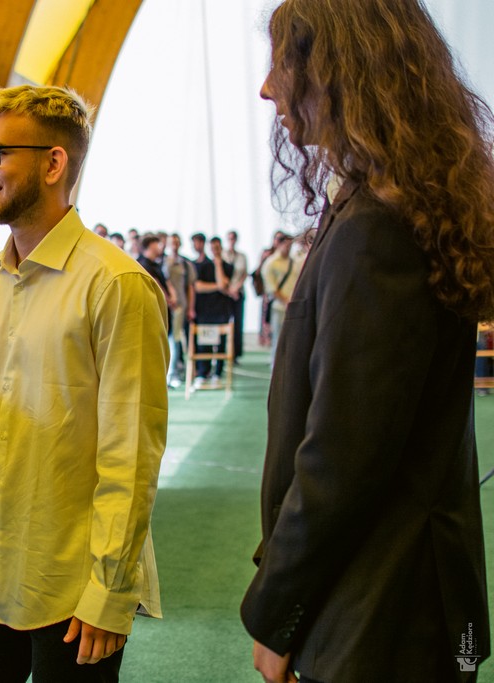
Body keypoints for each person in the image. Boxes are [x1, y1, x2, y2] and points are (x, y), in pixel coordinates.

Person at [242, 1, 494, 681]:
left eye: (284, 63)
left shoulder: (379, 227)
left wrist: (277, 612)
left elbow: (342, 460)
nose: (267, 87)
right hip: (395, 610)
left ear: (338, 70)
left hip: (381, 618)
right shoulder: (389, 204)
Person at [0, 83, 168, 682]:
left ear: (53, 163)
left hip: (71, 585)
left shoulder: (116, 285)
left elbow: (130, 456)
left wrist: (111, 589)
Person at [191, 234, 233, 386]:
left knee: (221, 343)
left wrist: (218, 264)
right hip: (204, 310)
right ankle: (203, 372)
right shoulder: (202, 265)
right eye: (213, 248)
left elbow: (224, 284)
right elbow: (198, 286)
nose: (215, 250)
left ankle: (218, 373)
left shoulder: (227, 266)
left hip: (221, 311)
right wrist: (218, 287)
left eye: (217, 248)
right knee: (204, 343)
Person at [259, 233, 300, 366]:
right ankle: (275, 370)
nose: (288, 248)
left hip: (294, 307)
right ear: (279, 244)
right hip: (278, 306)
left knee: (293, 341)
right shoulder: (271, 263)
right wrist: (285, 300)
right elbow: (271, 288)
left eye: (290, 245)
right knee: (278, 340)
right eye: (286, 245)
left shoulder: (294, 262)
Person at [164, 233, 196, 387]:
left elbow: (190, 287)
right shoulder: (162, 262)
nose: (174, 245)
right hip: (166, 306)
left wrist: (191, 308)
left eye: (177, 242)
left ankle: (173, 373)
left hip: (179, 307)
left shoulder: (185, 264)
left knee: (175, 339)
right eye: (172, 242)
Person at [223, 230, 248, 361]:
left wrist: (236, 289)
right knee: (225, 323)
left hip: (238, 293)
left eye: (233, 238)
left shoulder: (242, 256)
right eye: (230, 238)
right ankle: (224, 352)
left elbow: (244, 274)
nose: (231, 241)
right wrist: (229, 290)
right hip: (226, 294)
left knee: (238, 324)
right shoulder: (223, 255)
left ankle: (235, 354)